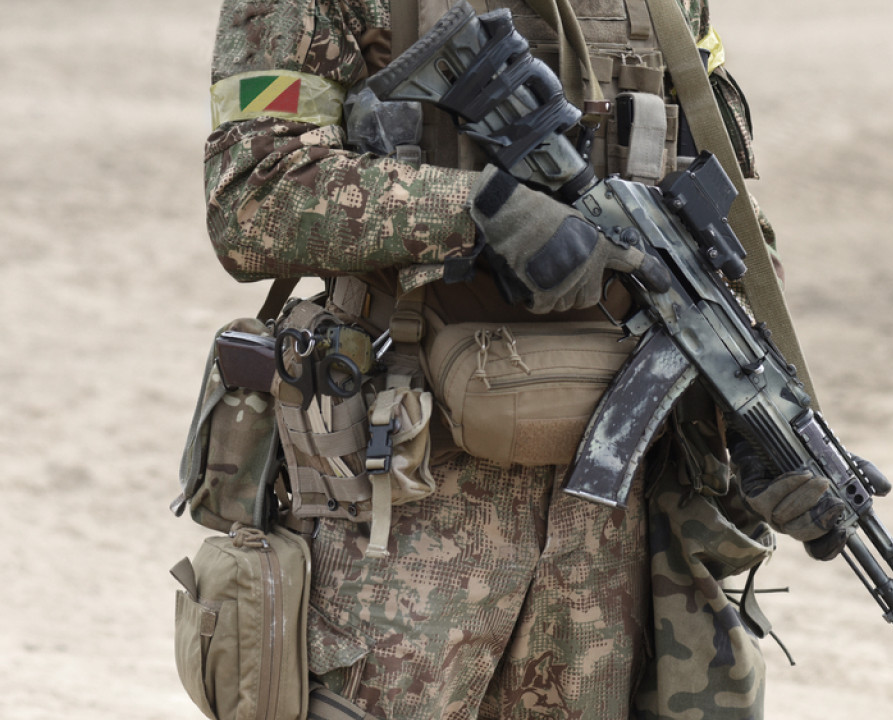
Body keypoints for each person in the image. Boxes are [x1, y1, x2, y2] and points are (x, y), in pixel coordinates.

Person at [202, 1, 850, 718]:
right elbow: (253, 196)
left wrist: (760, 425)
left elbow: (725, 229)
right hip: (400, 496)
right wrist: (481, 212)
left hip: (611, 535)